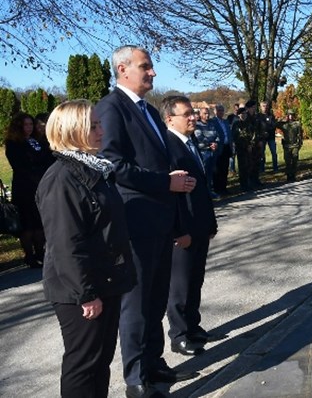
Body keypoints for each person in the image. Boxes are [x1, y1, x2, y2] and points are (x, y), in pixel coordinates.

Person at [95, 45, 197, 398]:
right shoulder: (110, 109)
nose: (152, 73)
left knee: (155, 299)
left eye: (151, 67)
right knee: (135, 305)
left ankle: (154, 364)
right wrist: (164, 182)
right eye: (146, 67)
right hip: (135, 222)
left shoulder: (151, 112)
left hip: (160, 220)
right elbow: (113, 165)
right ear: (123, 69)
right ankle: (136, 378)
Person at [36, 100, 136, 398]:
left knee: (100, 361)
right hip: (82, 290)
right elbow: (66, 243)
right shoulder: (61, 179)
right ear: (72, 130)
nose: (101, 130)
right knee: (83, 364)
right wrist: (87, 293)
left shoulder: (94, 170)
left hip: (104, 281)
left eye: (99, 124)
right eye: (92, 125)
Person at [161, 96, 218, 357]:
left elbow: (201, 189)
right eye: (187, 114)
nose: (193, 118)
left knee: (195, 280)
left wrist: (209, 223)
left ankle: (193, 326)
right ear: (170, 119)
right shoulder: (167, 147)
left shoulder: (190, 141)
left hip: (199, 225)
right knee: (180, 285)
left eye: (193, 113)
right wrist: (178, 231)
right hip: (183, 230)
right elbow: (169, 197)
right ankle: (179, 334)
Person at [4, 112, 54, 267]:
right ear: (18, 126)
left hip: (41, 185)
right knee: (27, 224)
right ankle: (30, 256)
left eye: (31, 124)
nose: (29, 127)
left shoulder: (37, 141)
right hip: (25, 188)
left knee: (40, 222)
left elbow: (47, 158)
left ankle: (41, 253)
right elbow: (20, 166)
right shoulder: (13, 143)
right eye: (26, 125)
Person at [193, 106, 220, 199]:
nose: (207, 115)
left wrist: (216, 142)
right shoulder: (197, 125)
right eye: (205, 113)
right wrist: (210, 144)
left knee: (210, 173)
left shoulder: (211, 124)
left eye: (208, 113)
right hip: (203, 152)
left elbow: (216, 135)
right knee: (203, 174)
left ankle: (210, 191)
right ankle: (204, 193)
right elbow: (199, 137)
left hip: (212, 152)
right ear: (200, 114)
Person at [231, 106, 255, 191]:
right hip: (241, 148)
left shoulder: (248, 124)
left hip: (249, 148)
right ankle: (243, 185)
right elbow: (235, 137)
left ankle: (248, 183)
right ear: (239, 115)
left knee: (249, 165)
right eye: (242, 114)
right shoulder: (236, 124)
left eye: (245, 113)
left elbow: (253, 135)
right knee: (242, 167)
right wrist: (244, 145)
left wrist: (250, 145)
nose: (244, 115)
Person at [212, 104, 233, 195]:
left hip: (227, 147)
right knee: (217, 170)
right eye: (218, 110)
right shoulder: (212, 121)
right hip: (218, 148)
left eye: (222, 110)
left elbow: (229, 134)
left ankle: (224, 188)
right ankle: (217, 189)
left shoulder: (225, 122)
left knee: (225, 169)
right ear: (214, 111)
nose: (220, 112)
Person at [280, 109, 303, 183]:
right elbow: (275, 124)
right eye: (289, 115)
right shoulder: (284, 124)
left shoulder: (297, 124)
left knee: (294, 160)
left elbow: (300, 134)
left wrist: (299, 143)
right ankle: (288, 176)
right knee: (287, 161)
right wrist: (282, 119)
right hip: (287, 145)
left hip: (295, 144)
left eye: (292, 115)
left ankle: (293, 175)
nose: (291, 116)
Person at [259, 101, 278, 172]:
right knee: (261, 154)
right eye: (263, 106)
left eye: (266, 106)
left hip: (271, 137)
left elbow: (273, 125)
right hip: (262, 138)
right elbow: (257, 127)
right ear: (260, 107)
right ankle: (262, 169)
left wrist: (268, 130)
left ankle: (275, 168)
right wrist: (263, 132)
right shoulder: (258, 116)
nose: (265, 107)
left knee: (274, 153)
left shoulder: (271, 116)